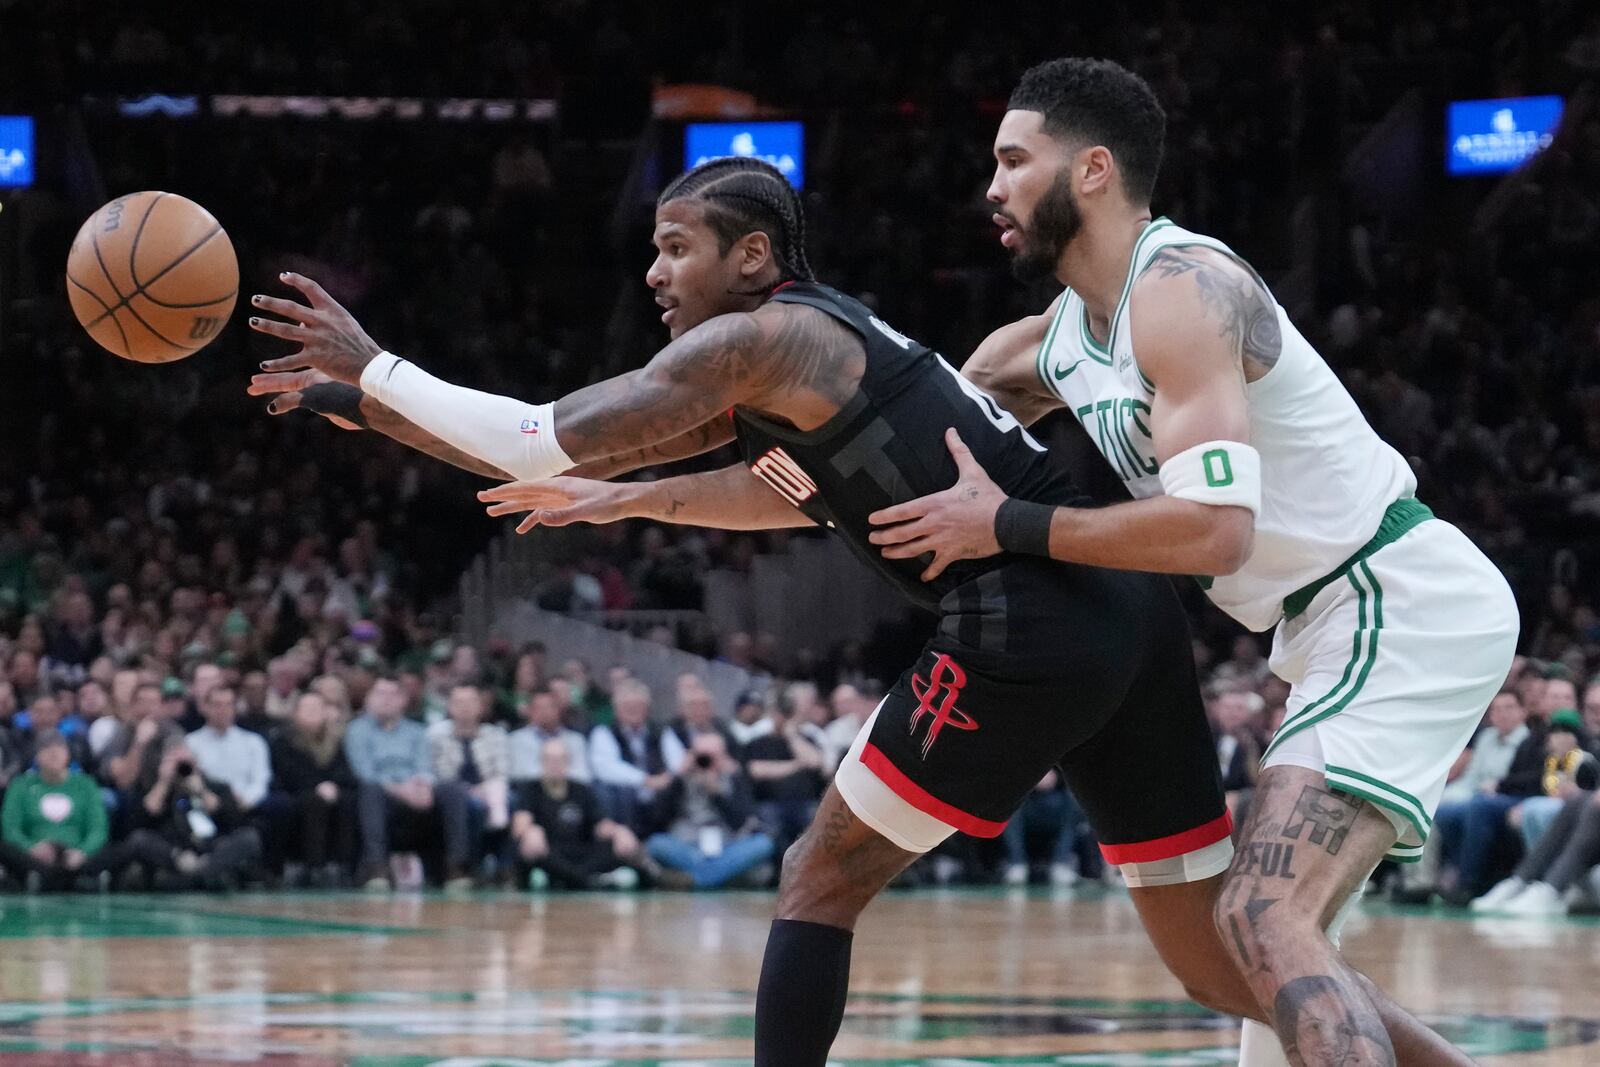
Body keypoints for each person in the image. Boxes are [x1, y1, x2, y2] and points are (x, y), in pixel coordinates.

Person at [245, 153, 1306, 1064]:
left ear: (751, 257)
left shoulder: (756, 342)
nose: (655, 271)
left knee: (818, 875)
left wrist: (375, 364)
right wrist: (370, 407)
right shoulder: (803, 355)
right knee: (1216, 963)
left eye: (676, 246)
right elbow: (766, 486)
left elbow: (532, 434)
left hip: (1026, 613)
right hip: (1126, 611)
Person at [854, 58, 1517, 1066]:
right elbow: (873, 440)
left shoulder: (1186, 288)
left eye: (1013, 159)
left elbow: (1214, 532)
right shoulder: (1045, 345)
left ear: (1092, 170)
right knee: (1267, 948)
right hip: (1325, 622)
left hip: (1394, 593)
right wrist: (635, 483)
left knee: (1260, 916)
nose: (990, 186)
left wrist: (1010, 527)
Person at [1397, 689, 1530, 904]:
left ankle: (1465, 882)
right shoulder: (1486, 737)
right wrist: (1437, 796)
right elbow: (1470, 780)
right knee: (1424, 805)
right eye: (1497, 709)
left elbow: (1521, 782)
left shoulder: (1529, 741)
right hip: (1475, 794)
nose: (1503, 714)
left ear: (1523, 711)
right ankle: (1419, 882)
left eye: (1509, 708)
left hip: (1504, 799)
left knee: (1476, 808)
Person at [343, 677, 473, 891]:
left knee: (453, 789)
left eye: (391, 695)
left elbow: (425, 767)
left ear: (403, 700)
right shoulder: (357, 730)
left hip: (416, 790)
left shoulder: (416, 731)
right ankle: (377, 868)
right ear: (369, 699)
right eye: (380, 694)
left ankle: (456, 866)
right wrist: (400, 790)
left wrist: (423, 786)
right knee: (371, 791)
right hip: (383, 793)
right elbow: (365, 772)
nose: (385, 700)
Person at [645, 733, 774, 890]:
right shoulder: (680, 779)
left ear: (723, 756)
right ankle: (715, 877)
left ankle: (696, 880)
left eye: (711, 757)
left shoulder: (734, 778)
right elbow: (656, 820)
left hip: (727, 846)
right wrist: (677, 778)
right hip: (688, 847)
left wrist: (717, 793)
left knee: (763, 844)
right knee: (656, 843)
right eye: (701, 756)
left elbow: (743, 821)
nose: (705, 762)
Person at [0, 731, 126, 891]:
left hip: (76, 855)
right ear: (36, 756)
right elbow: (10, 828)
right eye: (46, 748)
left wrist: (82, 852)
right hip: (33, 856)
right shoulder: (21, 785)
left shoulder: (85, 784)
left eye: (59, 747)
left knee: (115, 848)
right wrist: (31, 848)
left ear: (68, 754)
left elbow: (98, 829)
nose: (54, 753)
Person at [511, 737, 643, 889]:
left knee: (615, 846)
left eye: (560, 759)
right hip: (550, 851)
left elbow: (600, 825)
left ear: (568, 762)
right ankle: (592, 881)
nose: (554, 764)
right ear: (542, 762)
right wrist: (530, 830)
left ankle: (567, 879)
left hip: (579, 851)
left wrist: (619, 831)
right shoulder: (530, 789)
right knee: (530, 849)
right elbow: (519, 824)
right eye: (550, 759)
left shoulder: (581, 790)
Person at [265, 690, 358, 885]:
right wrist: (316, 785)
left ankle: (344, 866)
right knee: (314, 802)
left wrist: (333, 785)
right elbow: (286, 774)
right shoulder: (283, 740)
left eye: (317, 708)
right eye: (307, 708)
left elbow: (345, 772)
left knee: (348, 799)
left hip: (330, 792)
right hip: (296, 795)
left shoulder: (335, 741)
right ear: (296, 712)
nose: (313, 713)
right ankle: (315, 866)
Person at [586, 679, 674, 830]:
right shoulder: (603, 732)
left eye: (637, 706)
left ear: (647, 709)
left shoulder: (662, 731)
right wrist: (645, 780)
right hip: (625, 803)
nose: (632, 710)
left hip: (659, 799)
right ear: (616, 709)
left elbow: (676, 762)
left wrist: (668, 776)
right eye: (627, 706)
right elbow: (605, 767)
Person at [185, 685, 271, 820]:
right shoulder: (190, 743)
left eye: (228, 705)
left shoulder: (253, 742)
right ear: (205, 707)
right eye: (217, 705)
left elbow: (260, 780)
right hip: (207, 808)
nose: (223, 710)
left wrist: (246, 799)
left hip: (246, 809)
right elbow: (190, 779)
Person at [1001, 768, 1083, 886]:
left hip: (1058, 798)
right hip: (1025, 799)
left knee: (1074, 803)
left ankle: (1060, 864)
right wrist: (1033, 777)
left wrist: (1057, 777)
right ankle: (1017, 864)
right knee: (1011, 806)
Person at [508, 689, 592, 784]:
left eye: (549, 707)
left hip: (571, 793)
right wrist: (557, 774)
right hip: (531, 793)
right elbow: (521, 773)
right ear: (530, 711)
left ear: (559, 710)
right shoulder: (517, 739)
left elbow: (582, 775)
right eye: (539, 708)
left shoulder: (576, 740)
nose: (545, 712)